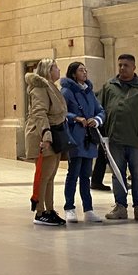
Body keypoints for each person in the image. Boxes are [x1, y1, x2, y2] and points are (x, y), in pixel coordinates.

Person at [99, 54, 138, 222]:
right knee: (117, 174)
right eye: (119, 65)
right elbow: (99, 108)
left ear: (134, 67)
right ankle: (120, 207)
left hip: (137, 139)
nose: (122, 68)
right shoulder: (109, 87)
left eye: (126, 65)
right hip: (115, 139)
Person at [59, 62, 106, 223]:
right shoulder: (66, 91)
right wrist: (76, 118)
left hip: (89, 140)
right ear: (73, 74)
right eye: (81, 70)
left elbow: (100, 110)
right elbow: (62, 112)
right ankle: (69, 208)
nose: (85, 72)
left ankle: (88, 209)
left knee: (86, 176)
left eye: (86, 69)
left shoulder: (89, 92)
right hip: (75, 138)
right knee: (73, 174)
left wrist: (97, 120)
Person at [24, 58, 68, 227]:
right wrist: (46, 135)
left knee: (50, 176)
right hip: (43, 135)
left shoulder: (51, 87)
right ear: (49, 70)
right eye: (56, 67)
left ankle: (49, 210)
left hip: (54, 133)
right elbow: (39, 113)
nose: (58, 70)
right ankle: (40, 211)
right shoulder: (40, 88)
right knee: (44, 176)